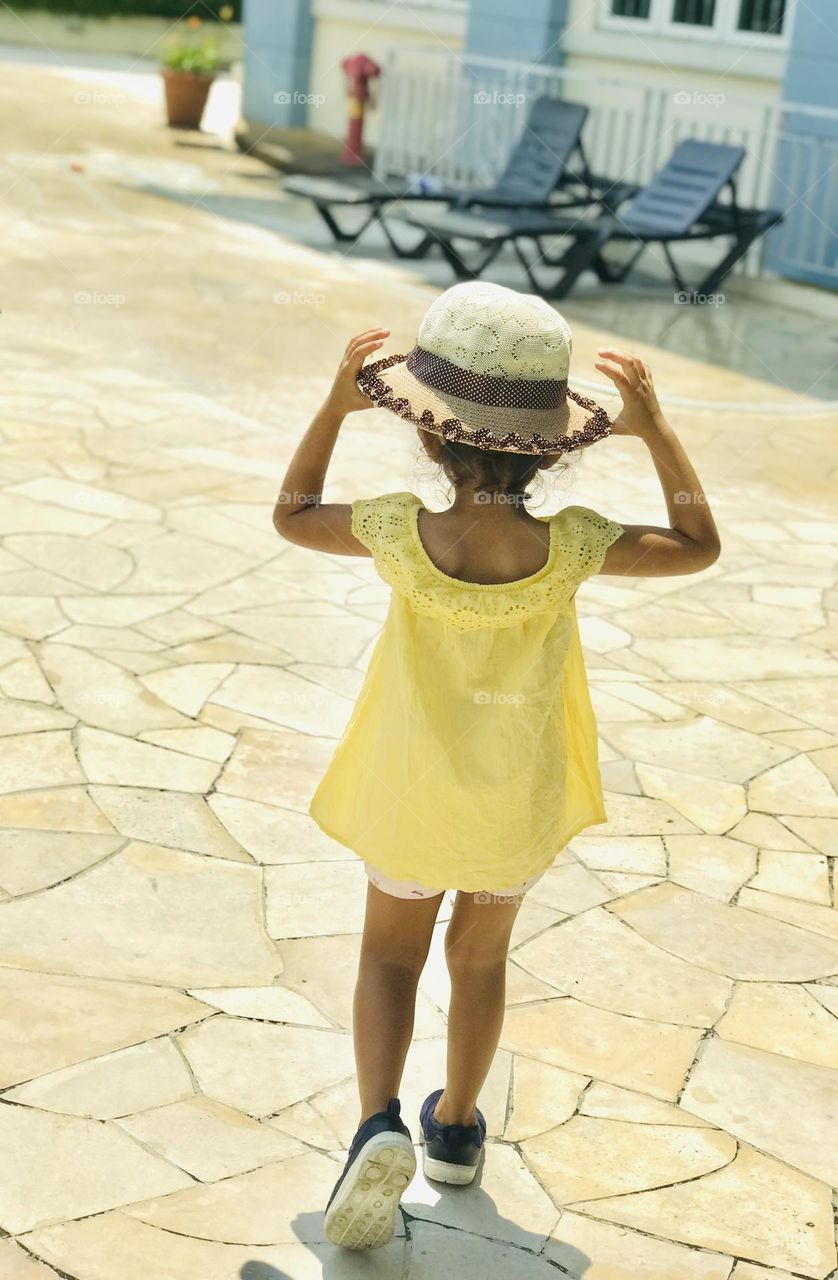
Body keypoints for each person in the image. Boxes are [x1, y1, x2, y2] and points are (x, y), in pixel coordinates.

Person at [273, 281, 720, 1251]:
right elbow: (697, 543)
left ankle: (375, 1120)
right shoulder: (571, 546)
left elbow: (294, 510)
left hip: (410, 789)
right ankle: (455, 1129)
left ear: (430, 434)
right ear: (552, 446)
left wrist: (332, 403)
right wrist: (653, 432)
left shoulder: (396, 530)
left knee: (389, 954)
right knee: (478, 957)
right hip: (515, 794)